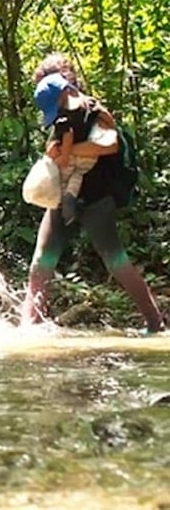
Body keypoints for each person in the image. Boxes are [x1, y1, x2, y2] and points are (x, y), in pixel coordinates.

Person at [22, 53, 164, 333]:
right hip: (63, 197)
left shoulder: (94, 111)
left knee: (115, 259)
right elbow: (55, 153)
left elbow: (108, 146)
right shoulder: (59, 115)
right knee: (41, 261)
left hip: (98, 199)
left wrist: (69, 151)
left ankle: (156, 324)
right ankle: (28, 326)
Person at [34, 72, 116, 224]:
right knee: (77, 175)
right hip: (89, 163)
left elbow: (110, 145)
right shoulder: (90, 106)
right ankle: (70, 199)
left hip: (96, 186)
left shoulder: (63, 118)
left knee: (65, 177)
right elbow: (108, 122)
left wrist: (64, 154)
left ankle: (67, 201)